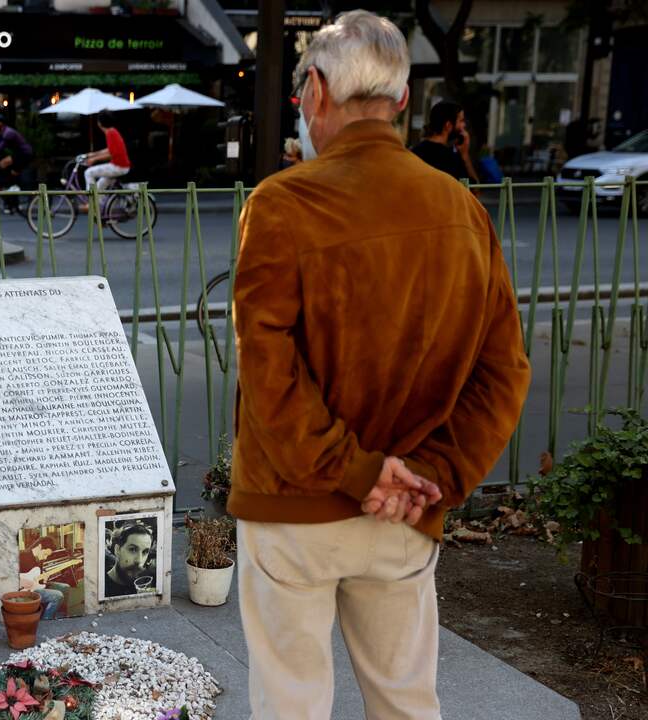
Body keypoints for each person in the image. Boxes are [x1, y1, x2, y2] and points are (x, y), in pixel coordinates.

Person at [229, 11, 531, 719]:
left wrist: (358, 472)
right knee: (404, 702)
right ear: (399, 102)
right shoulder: (459, 208)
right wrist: (432, 473)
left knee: (290, 703)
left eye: (306, 86)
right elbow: (504, 369)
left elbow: (268, 373)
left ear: (319, 91)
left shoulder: (282, 203)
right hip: (407, 506)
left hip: (295, 506)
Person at [411, 100, 480, 183]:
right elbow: (475, 190)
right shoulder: (451, 159)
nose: (464, 125)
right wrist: (465, 155)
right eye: (461, 121)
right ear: (448, 125)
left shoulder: (415, 151)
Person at [80, 111, 132, 204]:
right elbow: (109, 150)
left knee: (88, 172)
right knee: (99, 187)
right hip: (121, 166)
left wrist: (94, 159)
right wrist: (92, 154)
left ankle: (90, 202)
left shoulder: (110, 133)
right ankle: (101, 210)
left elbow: (110, 154)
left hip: (118, 166)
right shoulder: (112, 131)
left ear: (99, 123)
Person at [0, 114, 33, 209]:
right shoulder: (2, 132)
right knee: (5, 166)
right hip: (19, 153)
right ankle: (12, 187)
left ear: (0, 124)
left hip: (25, 154)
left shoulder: (8, 133)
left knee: (3, 163)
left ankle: (13, 185)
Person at [17, 537, 66, 620]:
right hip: (24, 591)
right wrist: (20, 581)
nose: (45, 557)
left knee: (64, 587)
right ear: (39, 546)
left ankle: (55, 614)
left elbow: (37, 580)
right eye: (45, 554)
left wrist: (44, 579)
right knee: (58, 595)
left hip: (35, 587)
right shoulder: (22, 555)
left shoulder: (39, 560)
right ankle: (46, 621)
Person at [103, 521, 154, 597]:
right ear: (117, 550)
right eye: (132, 549)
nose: (139, 561)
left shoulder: (143, 582)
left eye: (145, 552)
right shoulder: (102, 586)